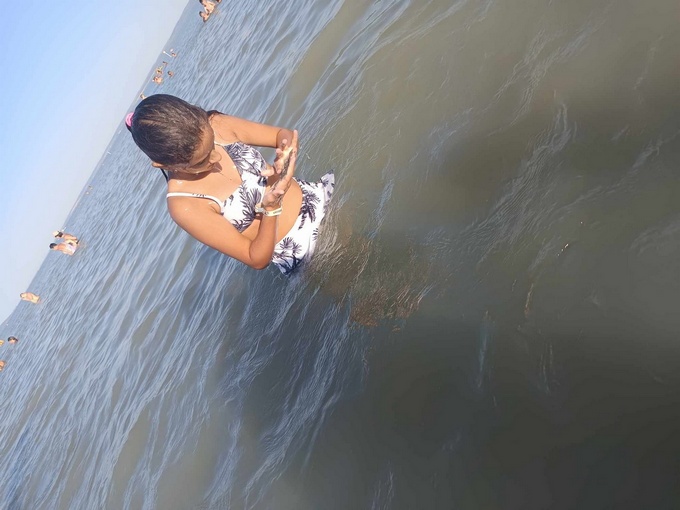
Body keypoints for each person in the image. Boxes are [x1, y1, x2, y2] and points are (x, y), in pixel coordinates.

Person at [125, 94, 334, 275]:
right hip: (302, 254)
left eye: (211, 145)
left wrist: (285, 154)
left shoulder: (217, 124)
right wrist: (270, 209)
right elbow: (256, 259)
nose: (216, 157)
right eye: (201, 161)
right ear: (164, 165)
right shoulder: (184, 205)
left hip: (318, 199)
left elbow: (282, 135)